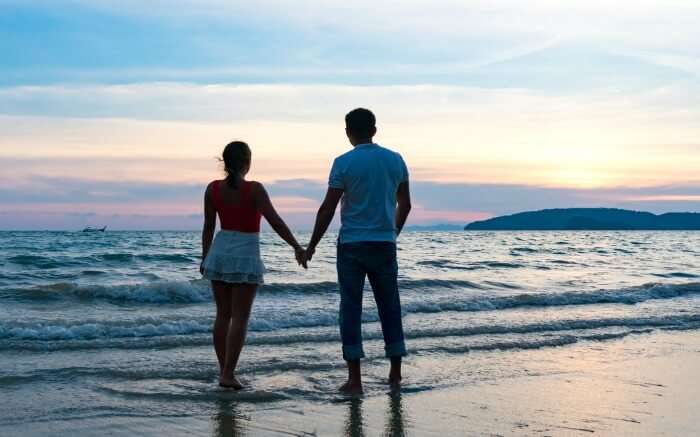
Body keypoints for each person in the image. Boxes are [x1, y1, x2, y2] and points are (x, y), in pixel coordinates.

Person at [305, 108, 412, 394]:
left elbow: (328, 208)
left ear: (348, 132)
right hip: (384, 244)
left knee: (350, 309)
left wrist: (311, 245)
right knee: (390, 307)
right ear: (374, 130)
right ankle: (395, 375)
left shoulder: (343, 162)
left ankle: (355, 380)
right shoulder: (395, 160)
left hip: (352, 244)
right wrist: (393, 232)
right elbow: (406, 204)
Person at [201, 141, 307, 389]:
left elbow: (208, 227)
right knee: (240, 317)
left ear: (225, 163)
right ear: (248, 162)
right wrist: (297, 247)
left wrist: (205, 257)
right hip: (246, 252)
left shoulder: (212, 189)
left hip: (220, 250)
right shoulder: (255, 189)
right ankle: (228, 374)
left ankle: (224, 371)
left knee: (223, 315)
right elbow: (276, 222)